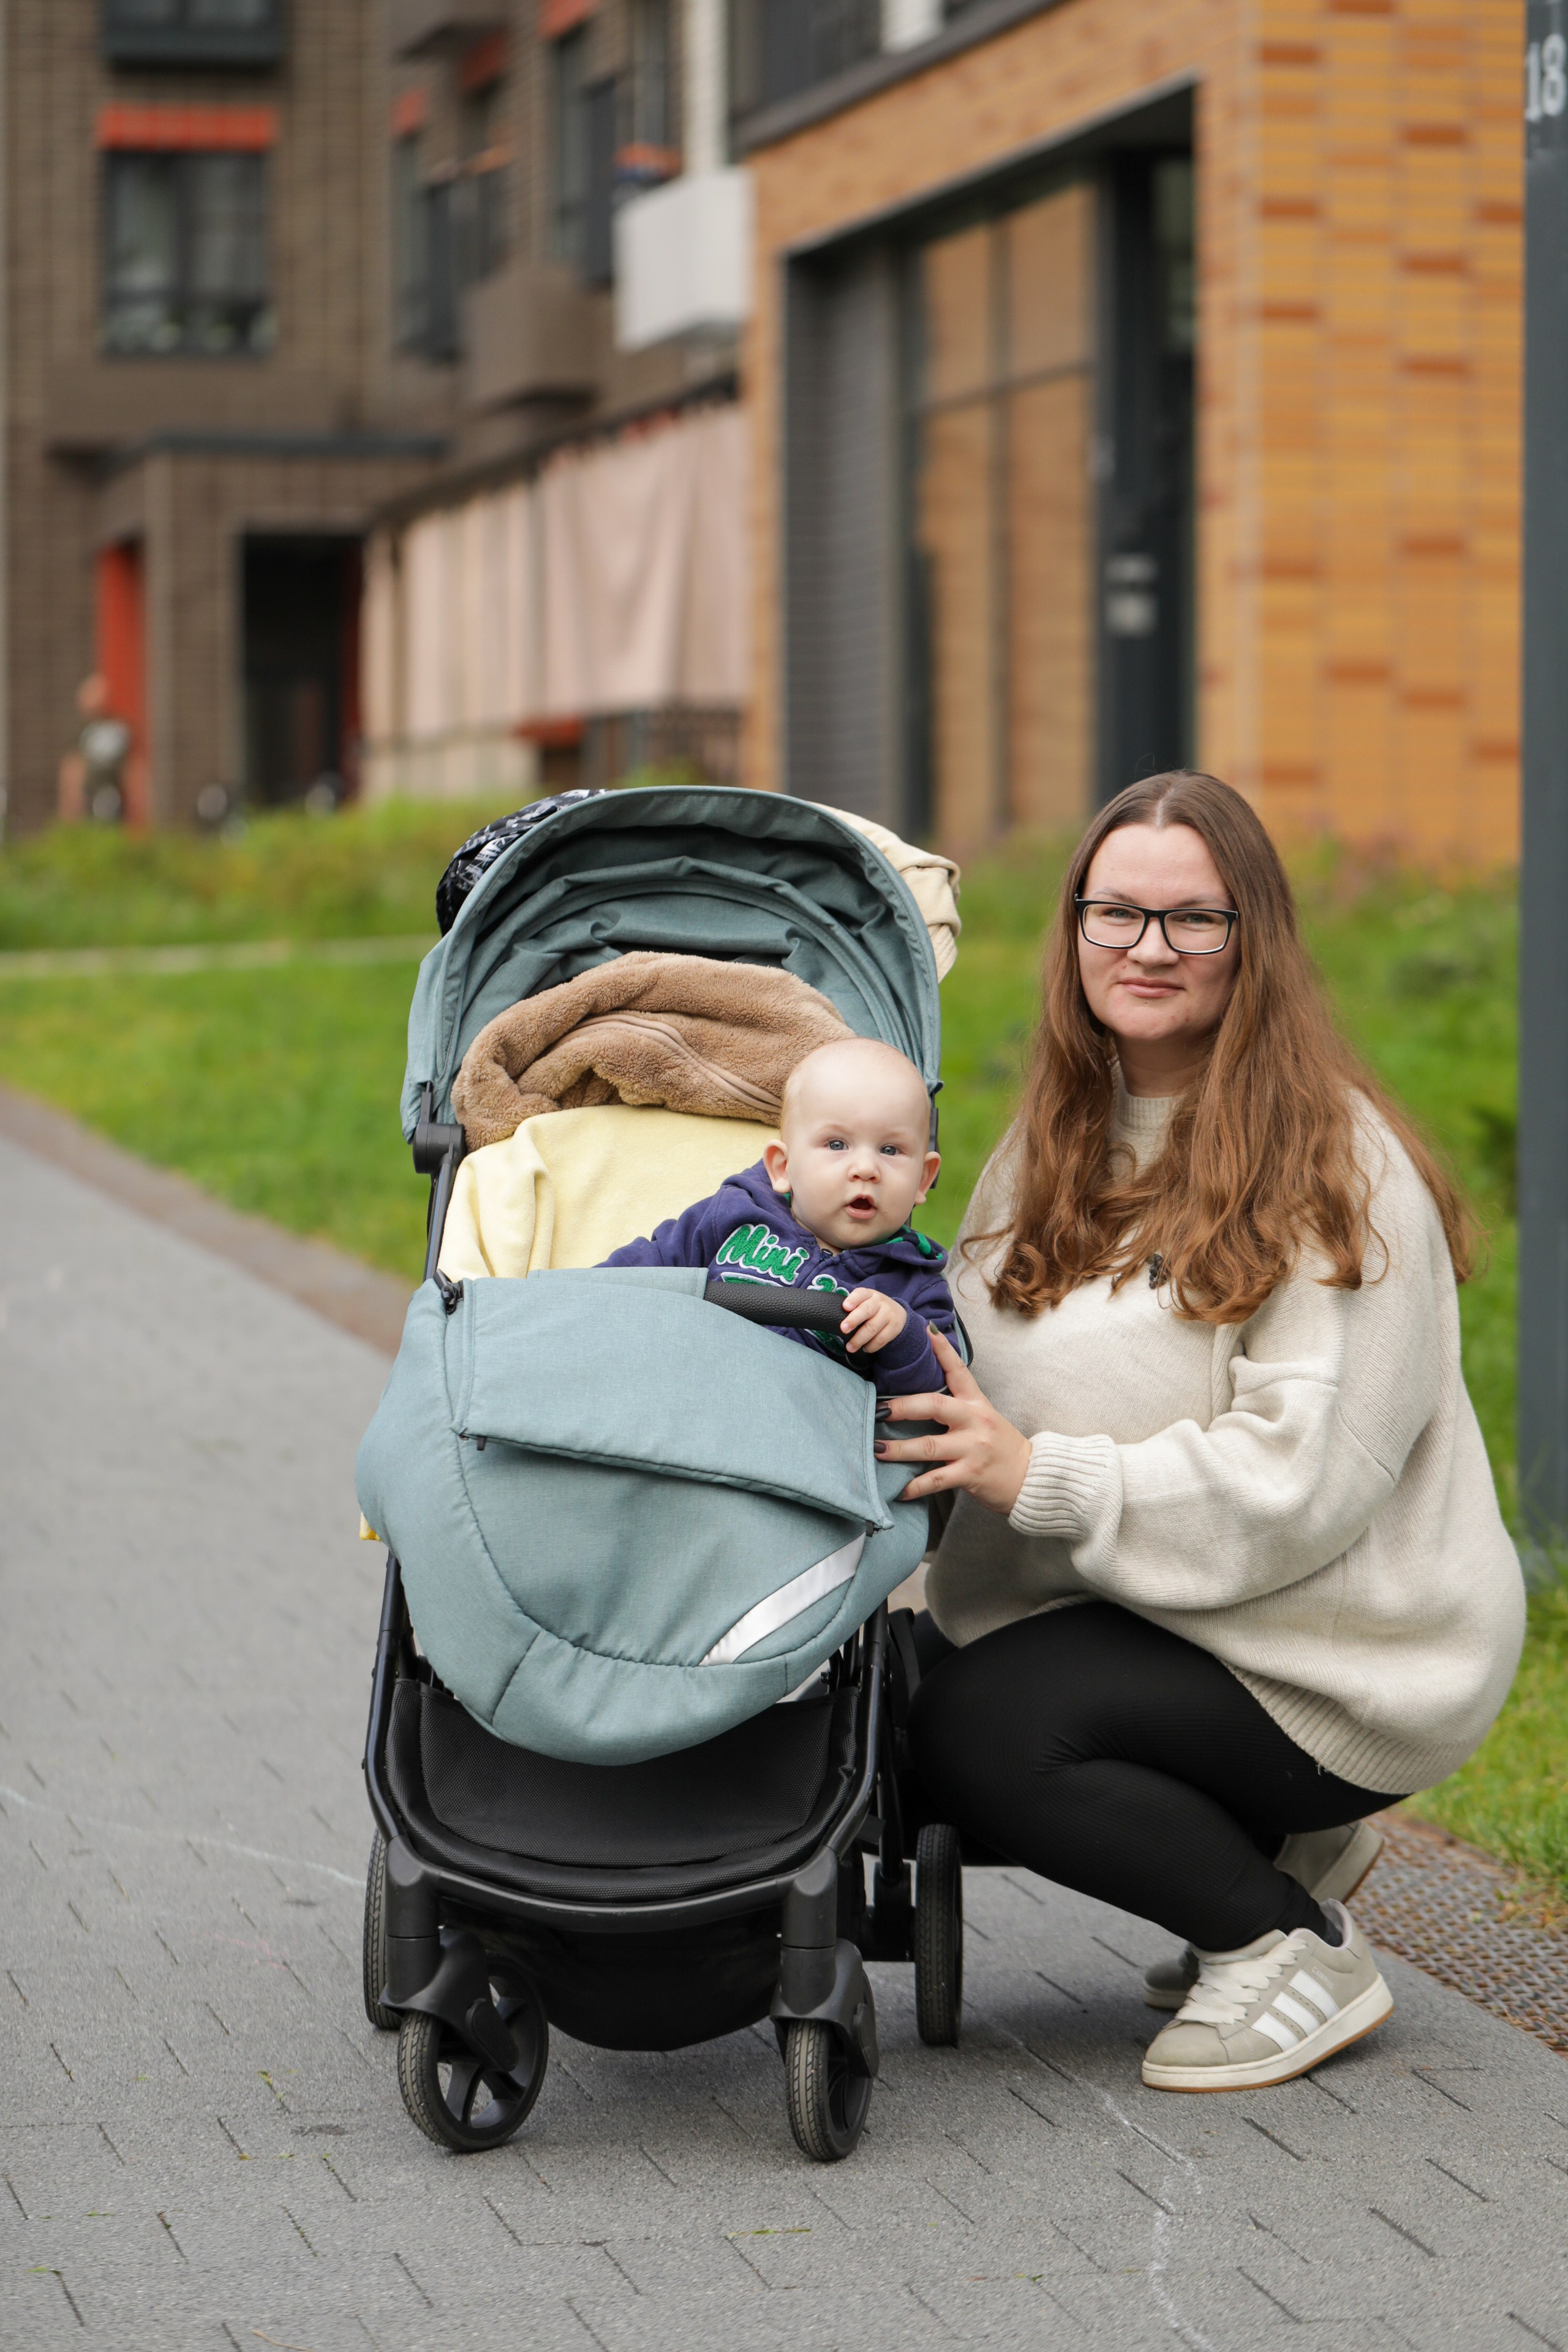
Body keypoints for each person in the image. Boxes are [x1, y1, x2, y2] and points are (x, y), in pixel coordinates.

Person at [873, 771, 1524, 2094]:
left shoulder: (1332, 1167)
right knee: (860, 1720)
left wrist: (1036, 1474)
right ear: (1070, 935)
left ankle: (1283, 1943)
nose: (1146, 950)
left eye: (1192, 920)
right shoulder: (1055, 1135)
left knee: (982, 1737)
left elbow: (1299, 1484)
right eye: (1112, 915)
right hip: (1149, 1615)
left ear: (1253, 940)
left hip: (1329, 1648)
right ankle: (1266, 1843)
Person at [603, 1037, 957, 1393]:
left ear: (922, 1179)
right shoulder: (737, 1212)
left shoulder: (916, 1288)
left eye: (891, 1150)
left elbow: (937, 1397)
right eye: (837, 1144)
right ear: (783, 1166)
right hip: (680, 1384)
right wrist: (573, 1295)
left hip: (797, 1432)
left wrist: (904, 1336)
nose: (866, 1168)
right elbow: (650, 1264)